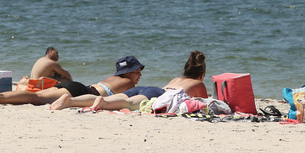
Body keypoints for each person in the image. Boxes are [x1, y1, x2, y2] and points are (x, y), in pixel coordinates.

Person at [49, 50, 208, 111]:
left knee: (109, 97)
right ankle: (103, 104)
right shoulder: (198, 84)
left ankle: (70, 101)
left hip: (148, 88)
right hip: (156, 93)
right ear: (201, 74)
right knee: (129, 104)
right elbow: (205, 102)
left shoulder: (176, 79)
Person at [0, 56, 145, 106]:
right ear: (128, 73)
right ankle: (0, 98)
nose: (140, 75)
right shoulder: (128, 84)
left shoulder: (112, 78)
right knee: (37, 99)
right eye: (137, 71)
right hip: (82, 92)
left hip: (77, 87)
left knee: (38, 95)